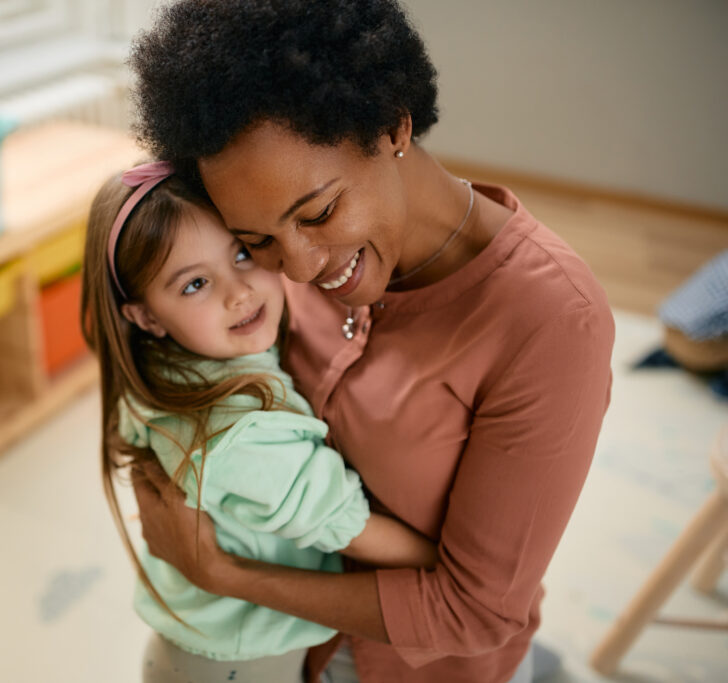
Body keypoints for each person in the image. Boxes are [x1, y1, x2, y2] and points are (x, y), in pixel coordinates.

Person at [125, 2, 617, 682]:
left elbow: (475, 612)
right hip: (278, 647)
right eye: (256, 240)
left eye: (319, 213)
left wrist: (220, 570)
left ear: (393, 125)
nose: (297, 267)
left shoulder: (550, 321)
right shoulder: (265, 270)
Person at [80, 162, 439, 683]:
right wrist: (457, 567)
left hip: (195, 648)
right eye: (195, 283)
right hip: (238, 665)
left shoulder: (161, 369)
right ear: (147, 318)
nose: (239, 293)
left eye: (244, 253)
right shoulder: (248, 437)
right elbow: (353, 531)